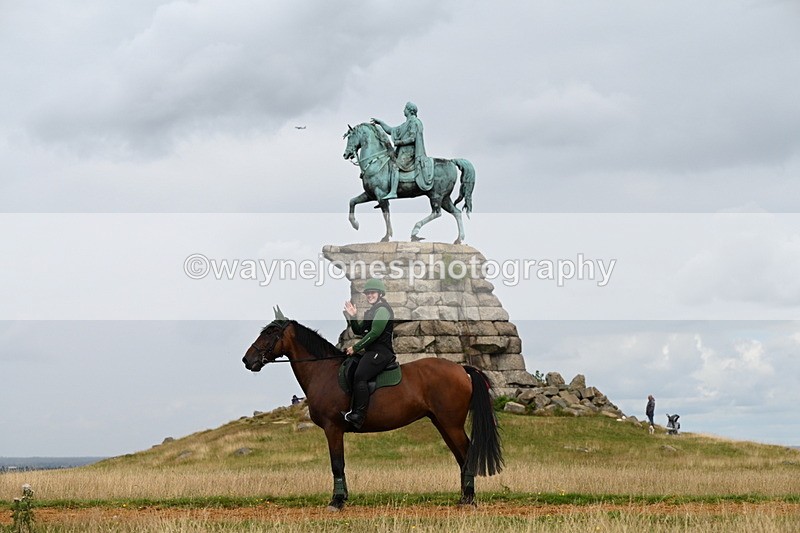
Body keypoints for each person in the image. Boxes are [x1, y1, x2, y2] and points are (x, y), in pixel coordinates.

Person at [341, 278, 396, 429]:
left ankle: (359, 415)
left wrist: (355, 348)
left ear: (379, 294)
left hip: (381, 353)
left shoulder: (383, 310)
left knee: (360, 376)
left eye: (372, 292)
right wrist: (353, 315)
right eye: (367, 293)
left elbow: (375, 332)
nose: (369, 295)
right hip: (371, 352)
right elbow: (359, 330)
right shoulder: (370, 312)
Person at [371, 102, 432, 200]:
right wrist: (380, 123)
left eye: (405, 108)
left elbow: (412, 138)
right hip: (402, 151)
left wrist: (400, 142)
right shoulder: (405, 124)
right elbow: (390, 130)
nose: (403, 110)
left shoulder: (414, 122)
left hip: (409, 152)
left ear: (409, 110)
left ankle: (393, 192)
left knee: (395, 166)